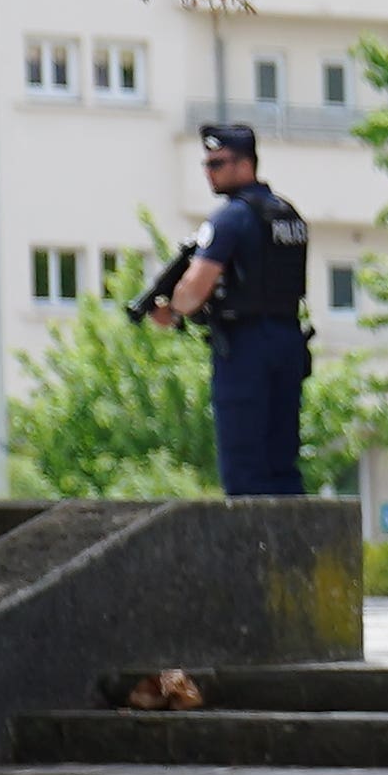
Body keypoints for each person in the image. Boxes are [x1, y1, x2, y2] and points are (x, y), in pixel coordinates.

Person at [135, 120, 314, 496]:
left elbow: (197, 282)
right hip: (288, 340)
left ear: (245, 163)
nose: (209, 172)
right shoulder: (288, 215)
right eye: (207, 164)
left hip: (246, 345)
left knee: (244, 466)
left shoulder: (231, 217)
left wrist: (175, 310)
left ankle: (252, 551)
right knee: (281, 462)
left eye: (217, 163)